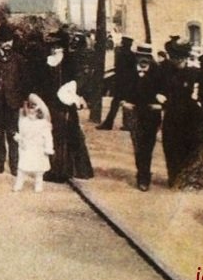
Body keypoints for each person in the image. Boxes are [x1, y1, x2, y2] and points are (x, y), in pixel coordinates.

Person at [161, 39, 203, 190]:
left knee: (195, 145)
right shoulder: (165, 71)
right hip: (172, 112)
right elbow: (160, 89)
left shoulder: (194, 73)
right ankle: (175, 177)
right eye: (174, 58)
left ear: (184, 58)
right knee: (171, 144)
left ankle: (197, 178)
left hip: (191, 114)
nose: (177, 61)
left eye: (179, 58)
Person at [40, 36, 94, 182]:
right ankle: (55, 169)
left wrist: (75, 93)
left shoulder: (69, 61)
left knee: (66, 135)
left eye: (58, 46)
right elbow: (43, 84)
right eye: (53, 46)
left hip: (65, 104)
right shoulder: (46, 62)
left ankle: (64, 171)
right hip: (51, 103)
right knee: (52, 135)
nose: (55, 49)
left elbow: (79, 80)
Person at [0, 24, 26, 176]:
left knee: (13, 133)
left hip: (12, 102)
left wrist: (19, 98)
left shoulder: (19, 59)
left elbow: (23, 81)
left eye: (10, 41)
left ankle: (15, 165)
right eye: (5, 41)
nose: (8, 44)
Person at [122, 48, 166, 191]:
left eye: (147, 57)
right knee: (137, 145)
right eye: (141, 56)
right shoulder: (129, 71)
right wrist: (124, 101)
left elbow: (165, 90)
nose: (144, 59)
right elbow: (120, 87)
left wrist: (160, 103)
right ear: (137, 57)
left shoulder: (158, 72)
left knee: (148, 146)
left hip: (151, 114)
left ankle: (144, 177)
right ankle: (142, 174)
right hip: (134, 113)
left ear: (150, 57)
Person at [13, 94, 54, 192]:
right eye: (29, 112)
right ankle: (19, 184)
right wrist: (19, 138)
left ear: (38, 113)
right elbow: (22, 134)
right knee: (22, 167)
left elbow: (48, 137)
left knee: (39, 169)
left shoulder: (43, 124)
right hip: (27, 148)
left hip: (38, 148)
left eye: (33, 113)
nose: (31, 114)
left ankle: (38, 184)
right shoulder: (24, 122)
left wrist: (48, 147)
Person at [99, 36, 135, 131]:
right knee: (126, 104)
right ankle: (127, 125)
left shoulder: (121, 54)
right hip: (129, 83)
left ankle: (108, 123)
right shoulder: (132, 55)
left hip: (120, 83)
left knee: (115, 103)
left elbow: (118, 68)